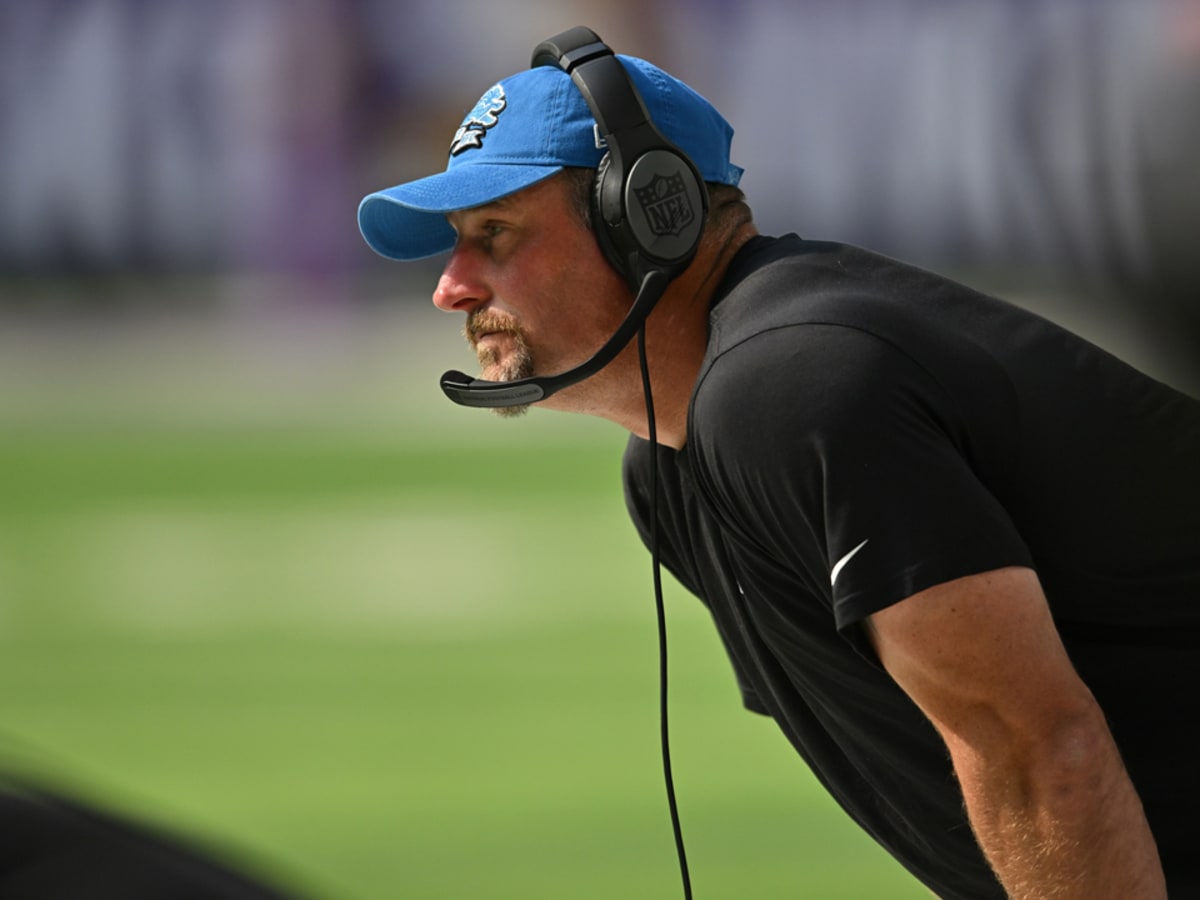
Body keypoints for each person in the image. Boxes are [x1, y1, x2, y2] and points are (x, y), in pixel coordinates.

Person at [357, 27, 1200, 900]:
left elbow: (1038, 752)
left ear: (648, 215)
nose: (450, 286)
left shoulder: (795, 391)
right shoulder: (671, 468)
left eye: (493, 233)